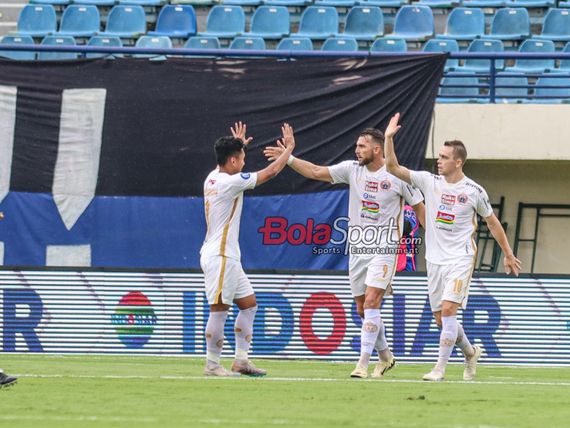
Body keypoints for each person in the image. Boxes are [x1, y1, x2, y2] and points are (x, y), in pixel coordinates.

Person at [265, 128, 425, 379]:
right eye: (357, 146)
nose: (357, 150)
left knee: (373, 301)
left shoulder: (397, 176)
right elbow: (316, 171)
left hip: (385, 247)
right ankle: (385, 356)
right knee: (363, 309)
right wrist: (289, 157)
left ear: (376, 149)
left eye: (362, 146)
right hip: (359, 247)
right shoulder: (352, 169)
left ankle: (362, 364)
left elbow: (419, 207)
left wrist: (436, 239)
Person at [383, 112, 522, 382]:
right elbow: (392, 168)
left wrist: (508, 253)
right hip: (434, 260)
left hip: (461, 258)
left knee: (448, 311)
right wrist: (388, 138)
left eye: (444, 157)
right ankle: (470, 353)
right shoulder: (428, 181)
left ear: (458, 162)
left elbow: (492, 223)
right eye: (439, 156)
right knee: (440, 320)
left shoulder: (474, 191)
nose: (439, 160)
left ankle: (440, 369)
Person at [201, 122, 295, 377]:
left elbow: (233, 165)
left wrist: (240, 145)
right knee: (219, 309)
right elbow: (269, 173)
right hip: (221, 255)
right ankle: (212, 365)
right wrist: (289, 150)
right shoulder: (229, 183)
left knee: (249, 305)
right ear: (231, 161)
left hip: (226, 255)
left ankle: (241, 360)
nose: (243, 163)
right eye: (241, 159)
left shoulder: (213, 176)